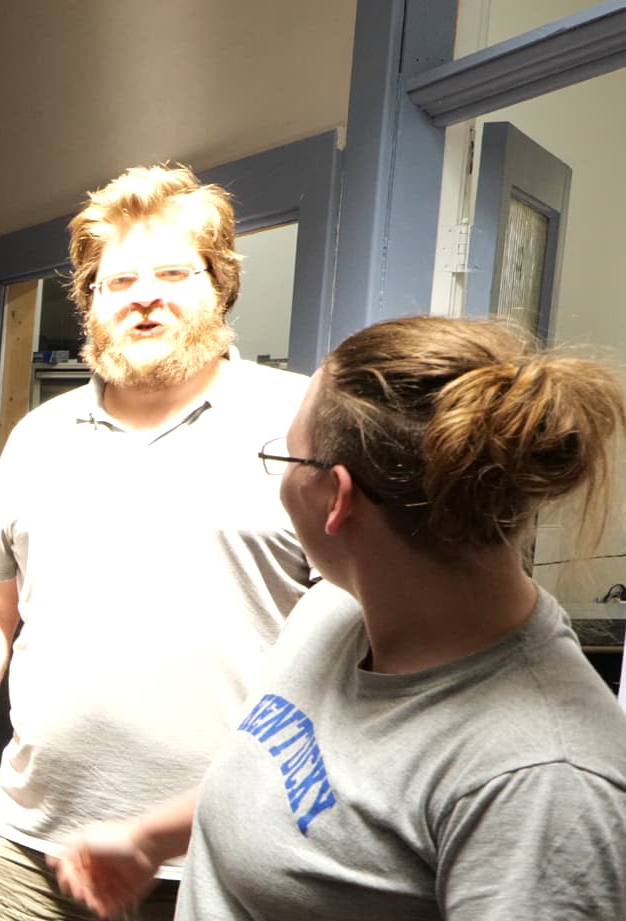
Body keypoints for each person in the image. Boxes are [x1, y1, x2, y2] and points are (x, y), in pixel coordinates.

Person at [57, 315, 626, 920]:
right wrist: (150, 838)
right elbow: (302, 782)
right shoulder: (338, 611)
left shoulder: (542, 783)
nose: (281, 477)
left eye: (286, 456)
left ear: (336, 497)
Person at [0, 164, 314, 921]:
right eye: (118, 281)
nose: (145, 296)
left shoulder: (301, 422)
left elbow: (366, 629)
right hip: (33, 854)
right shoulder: (40, 435)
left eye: (173, 273)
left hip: (231, 857)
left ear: (218, 285)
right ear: (91, 302)